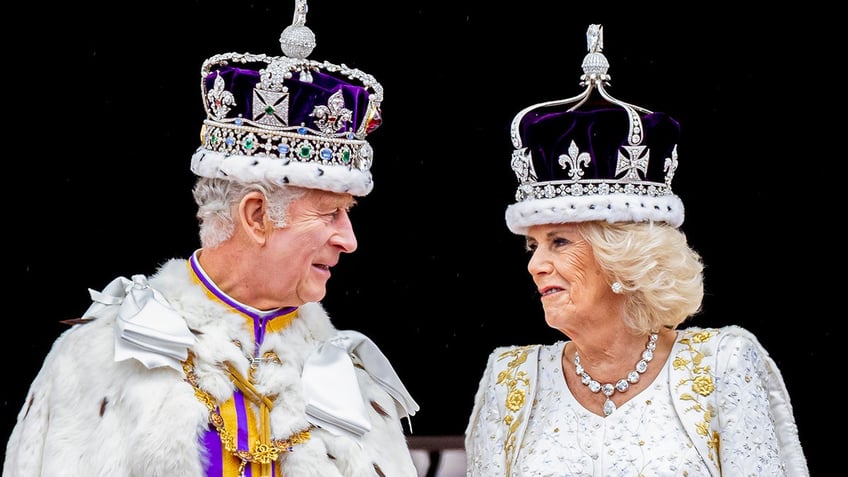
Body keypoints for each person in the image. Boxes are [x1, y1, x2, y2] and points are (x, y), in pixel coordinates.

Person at [3, 1, 420, 476]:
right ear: (257, 216)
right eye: (330, 214)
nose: (349, 239)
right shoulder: (101, 358)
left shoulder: (351, 383)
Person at [465, 24, 808, 477]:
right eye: (533, 244)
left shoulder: (722, 364)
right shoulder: (510, 379)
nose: (534, 264)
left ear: (624, 258)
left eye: (559, 242)